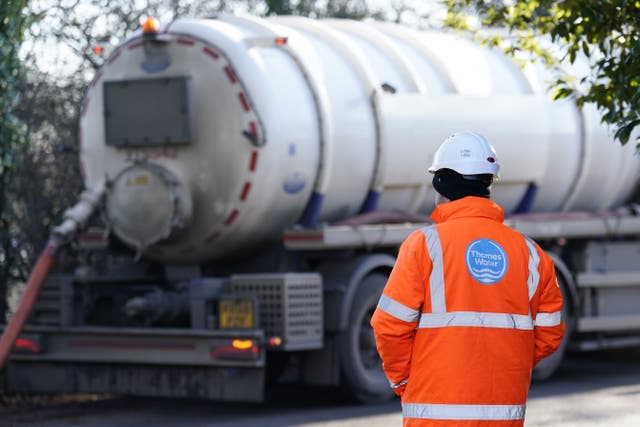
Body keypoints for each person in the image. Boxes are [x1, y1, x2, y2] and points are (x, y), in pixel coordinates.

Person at [370, 131, 565, 427]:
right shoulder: (530, 254)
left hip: (434, 415)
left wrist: (404, 381)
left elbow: (389, 326)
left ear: (442, 182)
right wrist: (507, 364)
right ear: (487, 183)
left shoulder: (424, 245)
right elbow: (549, 333)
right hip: (503, 412)